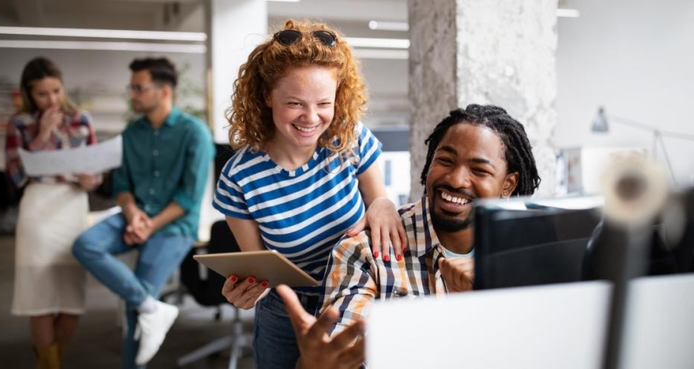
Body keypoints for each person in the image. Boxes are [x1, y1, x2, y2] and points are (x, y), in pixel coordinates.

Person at [278, 104, 542, 368]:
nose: (456, 179)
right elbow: (342, 346)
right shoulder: (366, 250)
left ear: (508, 184)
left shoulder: (528, 254)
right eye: (445, 160)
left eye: (479, 170)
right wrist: (318, 364)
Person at [212, 19, 406, 368]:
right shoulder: (239, 176)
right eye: (295, 103)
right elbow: (259, 268)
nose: (311, 117)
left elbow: (380, 202)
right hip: (286, 311)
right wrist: (244, 290)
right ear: (266, 96)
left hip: (356, 296)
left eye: (323, 103)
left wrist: (384, 206)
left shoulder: (350, 140)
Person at [72, 57, 214, 368]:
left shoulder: (195, 133)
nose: (131, 95)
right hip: (134, 215)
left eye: (139, 88)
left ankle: (133, 353)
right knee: (86, 245)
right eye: (131, 87)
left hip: (174, 225)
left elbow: (188, 198)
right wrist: (133, 212)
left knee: (133, 308)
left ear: (164, 91)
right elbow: (122, 186)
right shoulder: (131, 134)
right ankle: (153, 308)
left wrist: (150, 225)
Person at [7, 56, 102, 369]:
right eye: (43, 94)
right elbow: (15, 176)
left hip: (73, 206)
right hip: (37, 207)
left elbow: (94, 170)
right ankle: (50, 365)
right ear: (29, 94)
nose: (52, 99)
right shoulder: (19, 123)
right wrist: (42, 135)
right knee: (40, 297)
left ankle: (50, 361)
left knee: (72, 297)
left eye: (56, 91)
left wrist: (93, 178)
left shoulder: (82, 119)